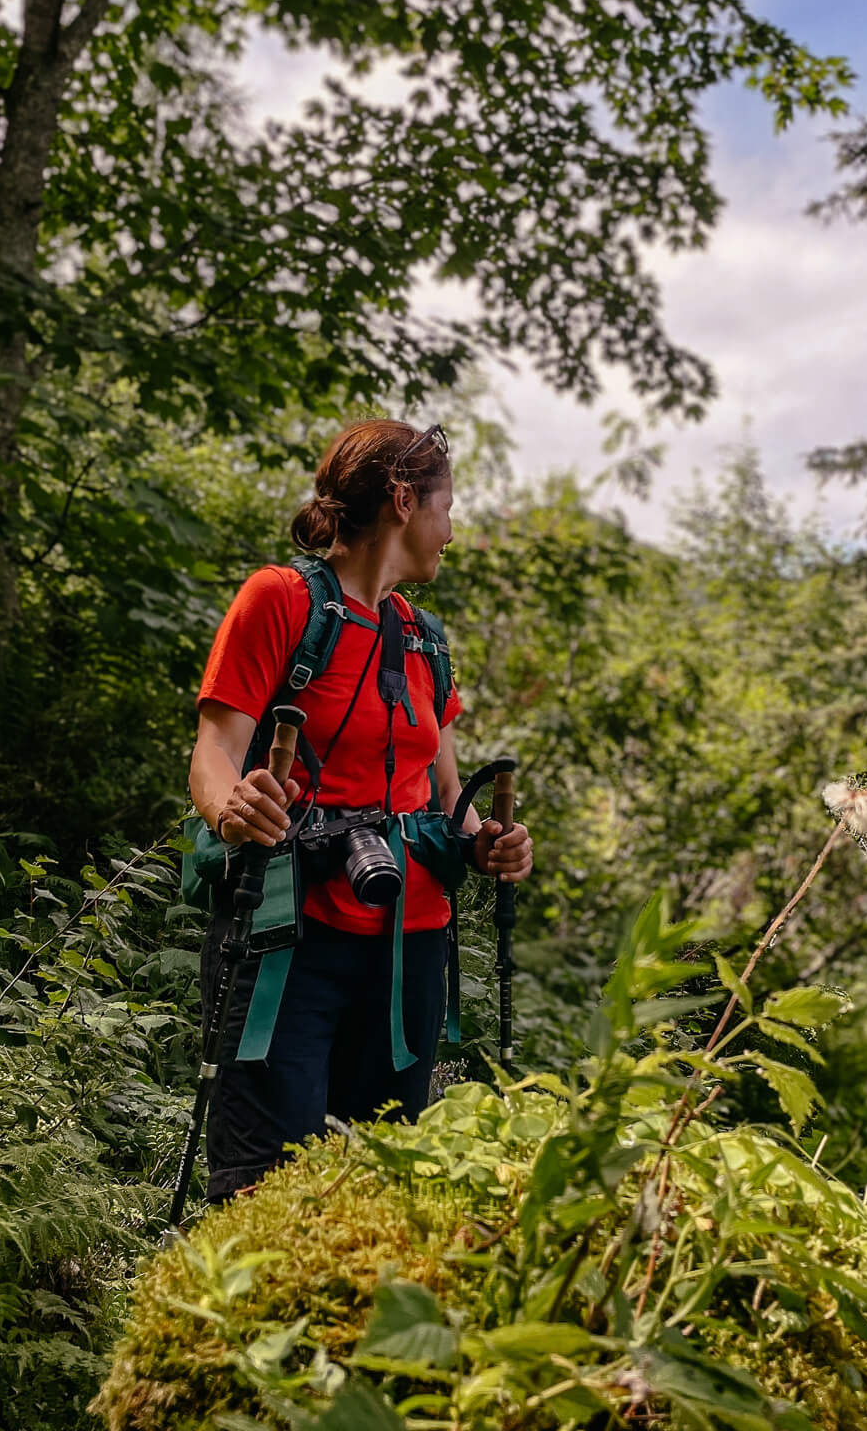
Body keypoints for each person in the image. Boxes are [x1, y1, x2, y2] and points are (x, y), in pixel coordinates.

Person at [187, 419, 533, 1199]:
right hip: (286, 941)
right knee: (266, 1189)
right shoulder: (279, 601)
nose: (453, 531)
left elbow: (448, 800)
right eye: (448, 508)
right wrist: (232, 807)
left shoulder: (422, 639)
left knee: (383, 1185)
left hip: (407, 955)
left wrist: (489, 845)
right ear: (406, 502)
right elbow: (211, 759)